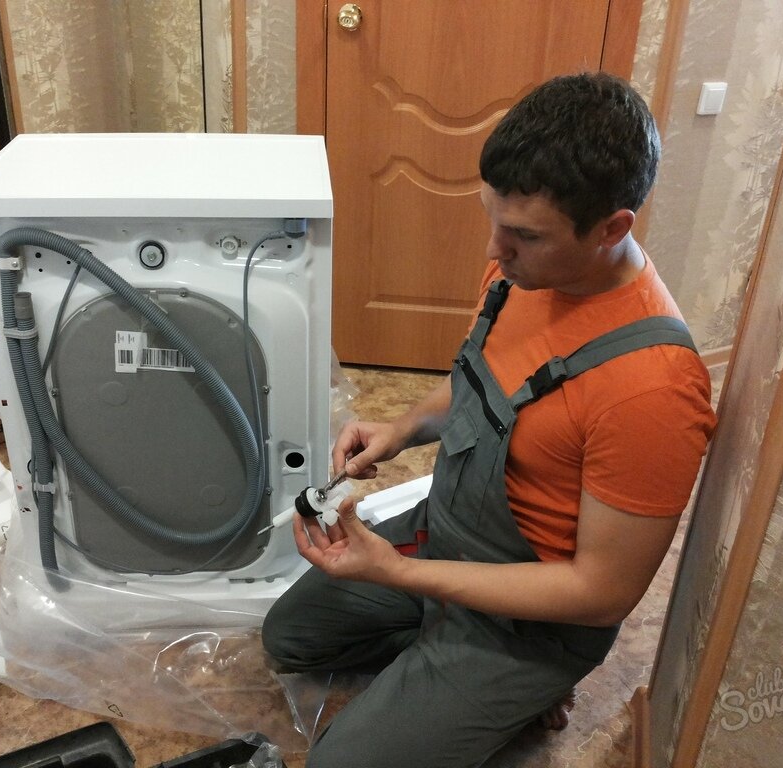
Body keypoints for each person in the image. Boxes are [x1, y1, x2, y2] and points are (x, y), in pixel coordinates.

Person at [262, 71, 717, 768]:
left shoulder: (654, 388)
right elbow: (487, 381)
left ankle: (519, 685)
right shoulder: (524, 272)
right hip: (446, 536)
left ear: (612, 229)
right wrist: (402, 428)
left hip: (530, 619)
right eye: (493, 220)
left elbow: (600, 594)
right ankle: (447, 674)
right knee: (289, 638)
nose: (493, 252)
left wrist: (398, 575)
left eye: (524, 235)